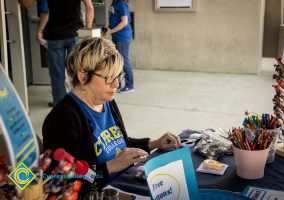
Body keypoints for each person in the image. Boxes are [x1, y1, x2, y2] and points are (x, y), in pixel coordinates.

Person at [42, 37, 181, 195]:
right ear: (82, 76)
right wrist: (110, 167)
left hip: (124, 184)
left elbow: (120, 145)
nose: (116, 84)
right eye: (109, 77)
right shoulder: (62, 119)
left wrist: (153, 143)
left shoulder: (106, 101)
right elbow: (64, 179)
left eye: (118, 76)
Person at [36, 0, 94, 106]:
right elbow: (89, 7)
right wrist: (87, 32)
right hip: (75, 34)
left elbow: (45, 10)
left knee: (57, 77)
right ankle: (80, 104)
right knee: (78, 72)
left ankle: (60, 108)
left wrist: (39, 31)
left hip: (54, 36)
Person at [104, 0, 134, 94]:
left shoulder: (121, 3)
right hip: (116, 36)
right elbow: (114, 19)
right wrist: (108, 27)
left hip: (123, 37)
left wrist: (111, 31)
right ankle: (118, 84)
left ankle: (130, 85)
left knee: (124, 60)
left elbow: (124, 22)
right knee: (117, 61)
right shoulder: (114, 3)